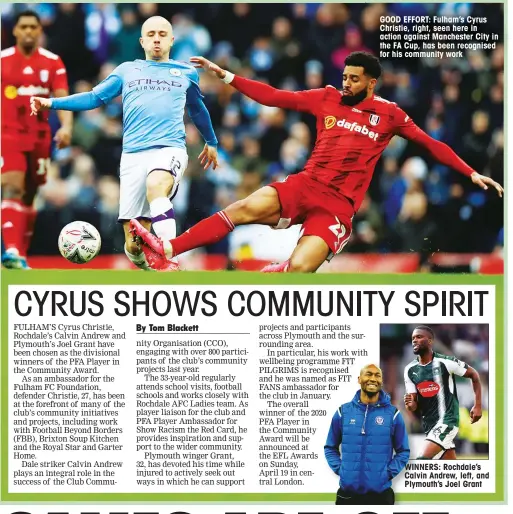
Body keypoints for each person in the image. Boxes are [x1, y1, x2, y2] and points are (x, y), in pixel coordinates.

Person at [129, 51, 504, 273]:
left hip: (338, 207)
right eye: (345, 77)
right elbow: (274, 97)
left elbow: (430, 144)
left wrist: (470, 172)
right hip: (306, 185)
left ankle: (280, 274)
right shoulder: (325, 97)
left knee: (300, 270)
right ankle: (169, 251)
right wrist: (227, 75)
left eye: (354, 80)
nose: (346, 84)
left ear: (371, 83)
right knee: (243, 207)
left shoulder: (390, 115)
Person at [30, 16, 219, 272]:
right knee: (133, 244)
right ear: (141, 41)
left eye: (162, 34)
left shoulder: (186, 72)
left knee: (157, 185)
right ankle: (148, 269)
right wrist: (52, 103)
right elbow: (93, 98)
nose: (156, 39)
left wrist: (211, 141)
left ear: (172, 40)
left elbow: (198, 110)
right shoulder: (126, 70)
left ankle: (169, 260)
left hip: (169, 148)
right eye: (151, 34)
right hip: (132, 157)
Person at [1, 10, 73, 269]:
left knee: (30, 195)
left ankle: (19, 253)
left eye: (34, 27)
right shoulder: (3, 60)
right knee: (12, 187)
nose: (29, 31)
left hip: (40, 138)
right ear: (16, 31)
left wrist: (65, 127)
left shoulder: (53, 62)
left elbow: (63, 99)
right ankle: (11, 249)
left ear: (40, 30)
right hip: (8, 135)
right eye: (24, 27)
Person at [324, 364, 409, 505]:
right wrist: (342, 471)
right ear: (359, 379)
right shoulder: (343, 412)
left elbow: (403, 451)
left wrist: (387, 474)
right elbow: (330, 447)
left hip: (381, 496)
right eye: (368, 374)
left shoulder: (393, 415)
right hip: (347, 495)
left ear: (381, 381)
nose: (373, 379)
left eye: (377, 375)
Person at [403, 325, 482, 460]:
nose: (415, 340)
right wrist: (410, 405)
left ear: (430, 341)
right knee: (449, 469)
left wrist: (478, 406)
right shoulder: (409, 370)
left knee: (422, 459)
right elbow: (413, 405)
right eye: (413, 338)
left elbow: (474, 375)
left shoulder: (445, 362)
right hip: (429, 425)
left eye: (419, 337)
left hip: (447, 421)